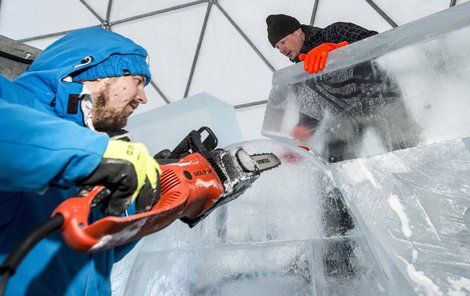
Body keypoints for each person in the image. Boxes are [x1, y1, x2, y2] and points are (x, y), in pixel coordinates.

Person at [0, 28, 161, 295]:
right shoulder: (13, 101)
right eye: (139, 80)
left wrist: (157, 198)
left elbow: (101, 253)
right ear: (95, 68)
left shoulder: (90, 153)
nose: (143, 98)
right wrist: (95, 154)